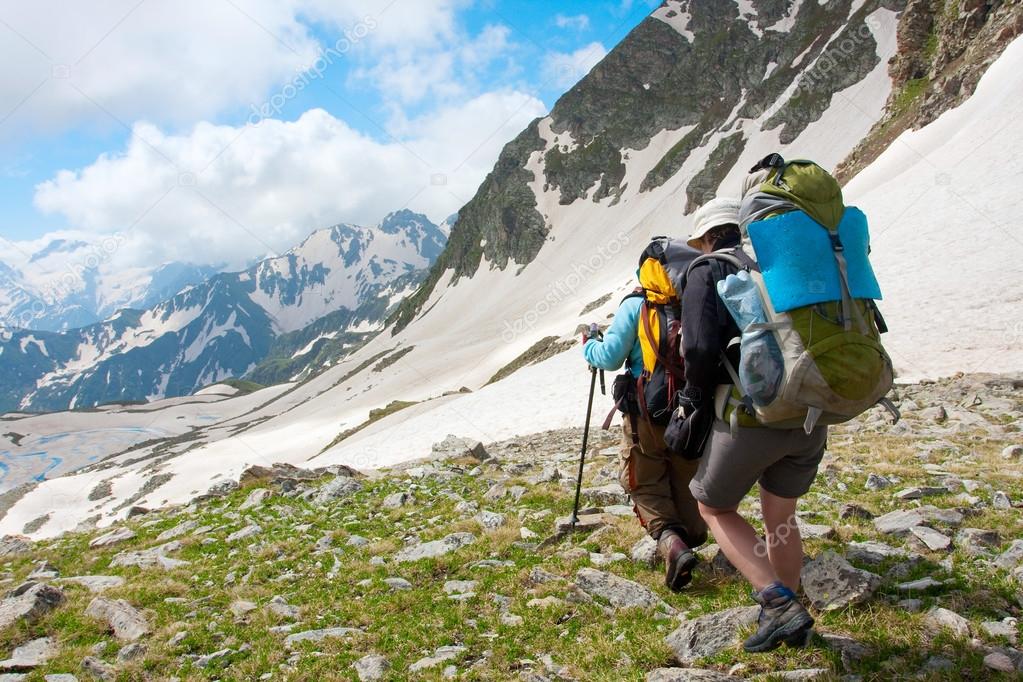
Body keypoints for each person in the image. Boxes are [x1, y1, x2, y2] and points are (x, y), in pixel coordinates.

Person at [679, 190, 825, 652]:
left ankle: (778, 605)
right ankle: (792, 610)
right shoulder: (766, 262)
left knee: (714, 507)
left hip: (752, 416)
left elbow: (699, 348)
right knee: (780, 517)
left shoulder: (708, 268)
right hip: (809, 412)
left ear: (703, 240)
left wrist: (691, 399)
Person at [580, 201, 744, 592]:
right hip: (691, 410)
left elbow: (608, 356)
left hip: (644, 413)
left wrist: (588, 342)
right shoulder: (697, 296)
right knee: (688, 478)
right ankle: (693, 535)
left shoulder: (636, 305)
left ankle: (670, 541)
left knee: (643, 480)